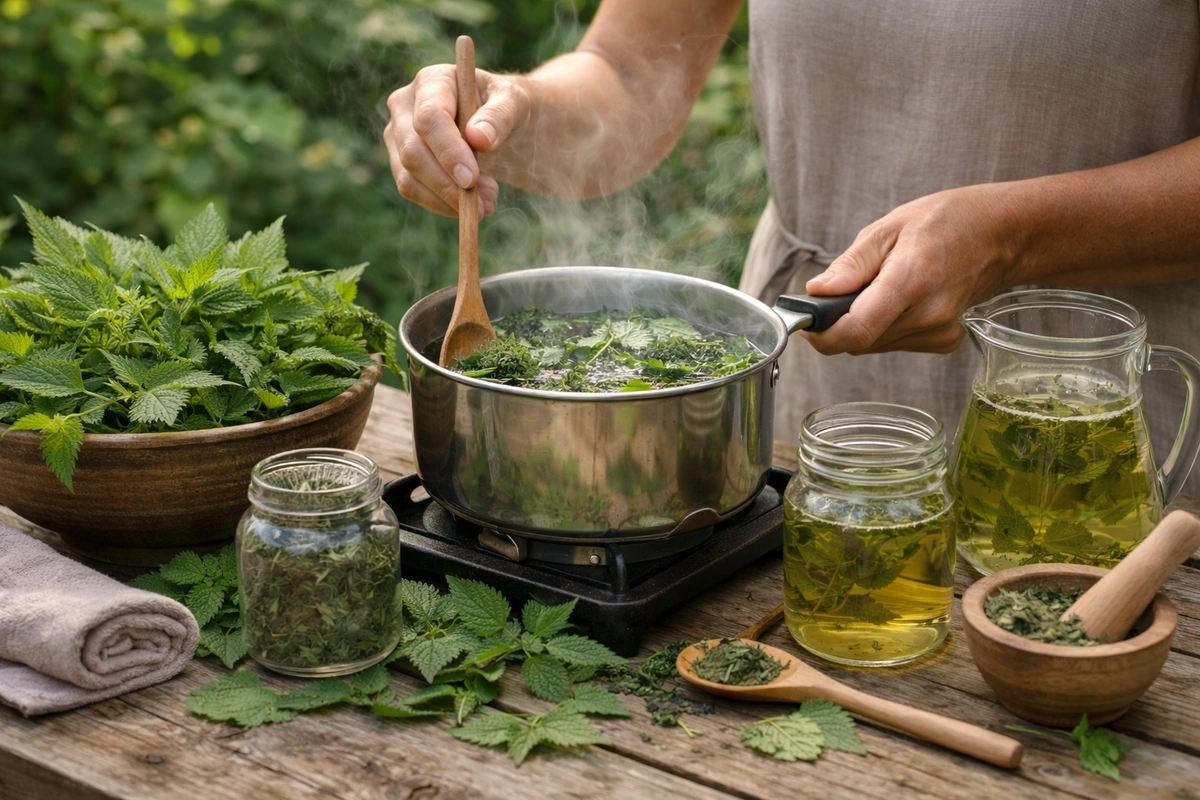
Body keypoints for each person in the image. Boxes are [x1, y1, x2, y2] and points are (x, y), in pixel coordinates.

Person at [383, 1, 1200, 494]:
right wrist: (510, 114)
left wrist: (1016, 240)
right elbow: (627, 75)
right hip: (808, 370)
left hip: (1106, 401)